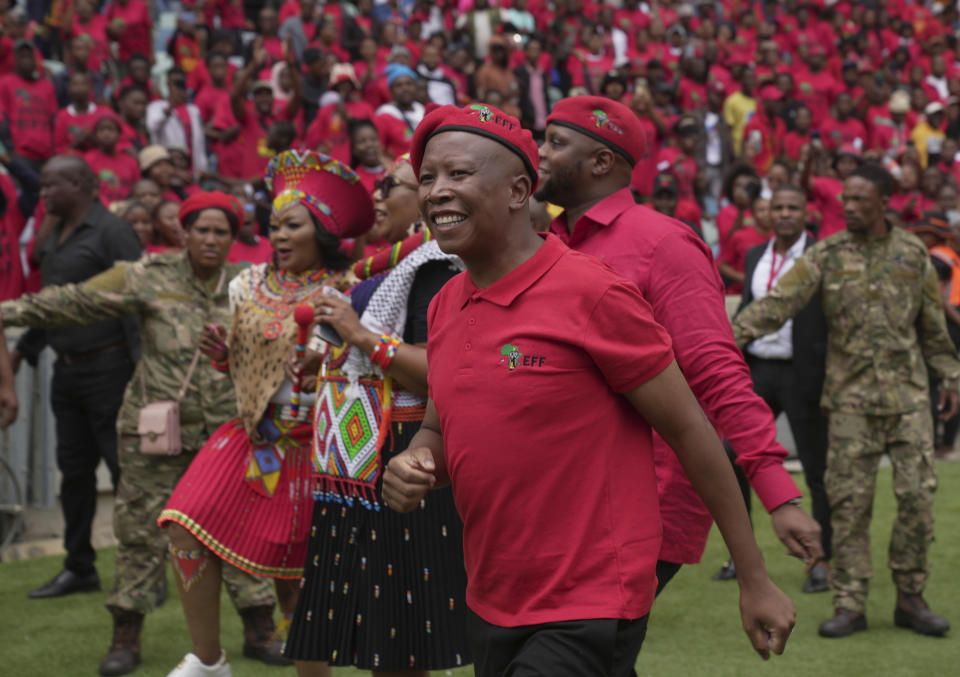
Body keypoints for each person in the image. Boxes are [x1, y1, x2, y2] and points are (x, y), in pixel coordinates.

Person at [383, 103, 795, 675]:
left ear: (518, 191)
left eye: (459, 174)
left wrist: (753, 577)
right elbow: (441, 425)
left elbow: (689, 429)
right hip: (492, 592)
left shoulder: (592, 293)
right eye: (427, 178)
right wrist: (418, 460)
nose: (436, 192)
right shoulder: (447, 304)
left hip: (591, 597)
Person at [535, 96, 822, 594]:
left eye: (556, 143)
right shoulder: (549, 242)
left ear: (601, 162)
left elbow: (716, 370)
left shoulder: (663, 244)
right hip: (564, 491)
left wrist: (779, 495)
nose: (539, 152)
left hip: (642, 498)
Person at [0, 192, 287, 675]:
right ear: (184, 232)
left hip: (229, 435)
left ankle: (260, 629)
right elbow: (77, 299)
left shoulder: (251, 284)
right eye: (202, 230)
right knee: (138, 533)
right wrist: (10, 311)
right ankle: (126, 637)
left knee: (240, 530)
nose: (211, 240)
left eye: (221, 231)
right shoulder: (146, 275)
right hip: (156, 435)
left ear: (233, 236)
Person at [157, 150, 373, 676]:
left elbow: (367, 364)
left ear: (320, 231)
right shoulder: (247, 286)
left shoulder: (349, 291)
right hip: (254, 437)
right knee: (182, 525)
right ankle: (209, 662)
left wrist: (333, 357)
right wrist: (226, 356)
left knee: (295, 592)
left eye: (292, 225)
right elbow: (248, 364)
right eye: (273, 224)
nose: (277, 235)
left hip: (315, 451)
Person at [733, 164, 959, 639]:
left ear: (884, 202)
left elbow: (932, 327)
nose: (849, 208)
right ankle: (850, 602)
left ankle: (910, 597)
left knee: (917, 499)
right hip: (850, 405)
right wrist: (727, 338)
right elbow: (778, 304)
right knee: (848, 505)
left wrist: (951, 378)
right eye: (846, 201)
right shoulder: (828, 254)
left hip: (909, 401)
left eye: (859, 200)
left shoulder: (911, 253)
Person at [285, 154, 470, 675]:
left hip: (401, 459)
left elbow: (440, 373)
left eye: (392, 184)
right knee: (384, 634)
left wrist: (358, 334)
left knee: (398, 636)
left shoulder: (435, 265)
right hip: (363, 466)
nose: (378, 194)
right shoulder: (389, 266)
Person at [19, 156, 142, 599]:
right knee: (73, 474)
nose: (44, 193)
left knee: (125, 473)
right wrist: (23, 351)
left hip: (110, 369)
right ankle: (79, 567)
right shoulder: (56, 234)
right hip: (66, 371)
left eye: (52, 185)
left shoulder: (113, 231)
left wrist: (141, 372)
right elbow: (52, 303)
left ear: (79, 185)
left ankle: (142, 571)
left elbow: (138, 302)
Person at [731, 185, 832, 593]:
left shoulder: (822, 255)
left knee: (816, 468)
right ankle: (743, 553)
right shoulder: (756, 254)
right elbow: (747, 313)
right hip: (758, 370)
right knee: (733, 456)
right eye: (778, 208)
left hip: (805, 374)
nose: (786, 214)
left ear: (807, 212)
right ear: (767, 213)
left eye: (793, 207)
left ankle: (822, 560)